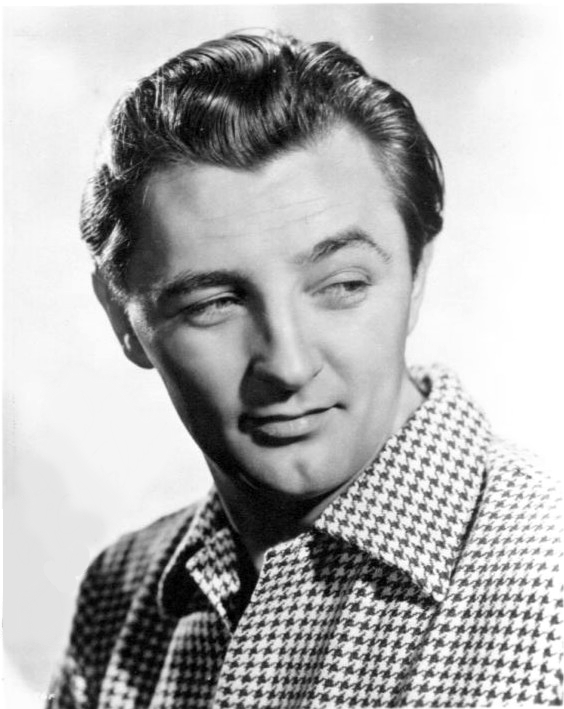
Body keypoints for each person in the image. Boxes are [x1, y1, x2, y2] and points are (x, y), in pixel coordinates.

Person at [47, 29, 562, 708]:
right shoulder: (119, 593)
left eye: (343, 285)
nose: (288, 366)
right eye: (214, 303)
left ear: (417, 275)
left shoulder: (550, 581)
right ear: (122, 317)